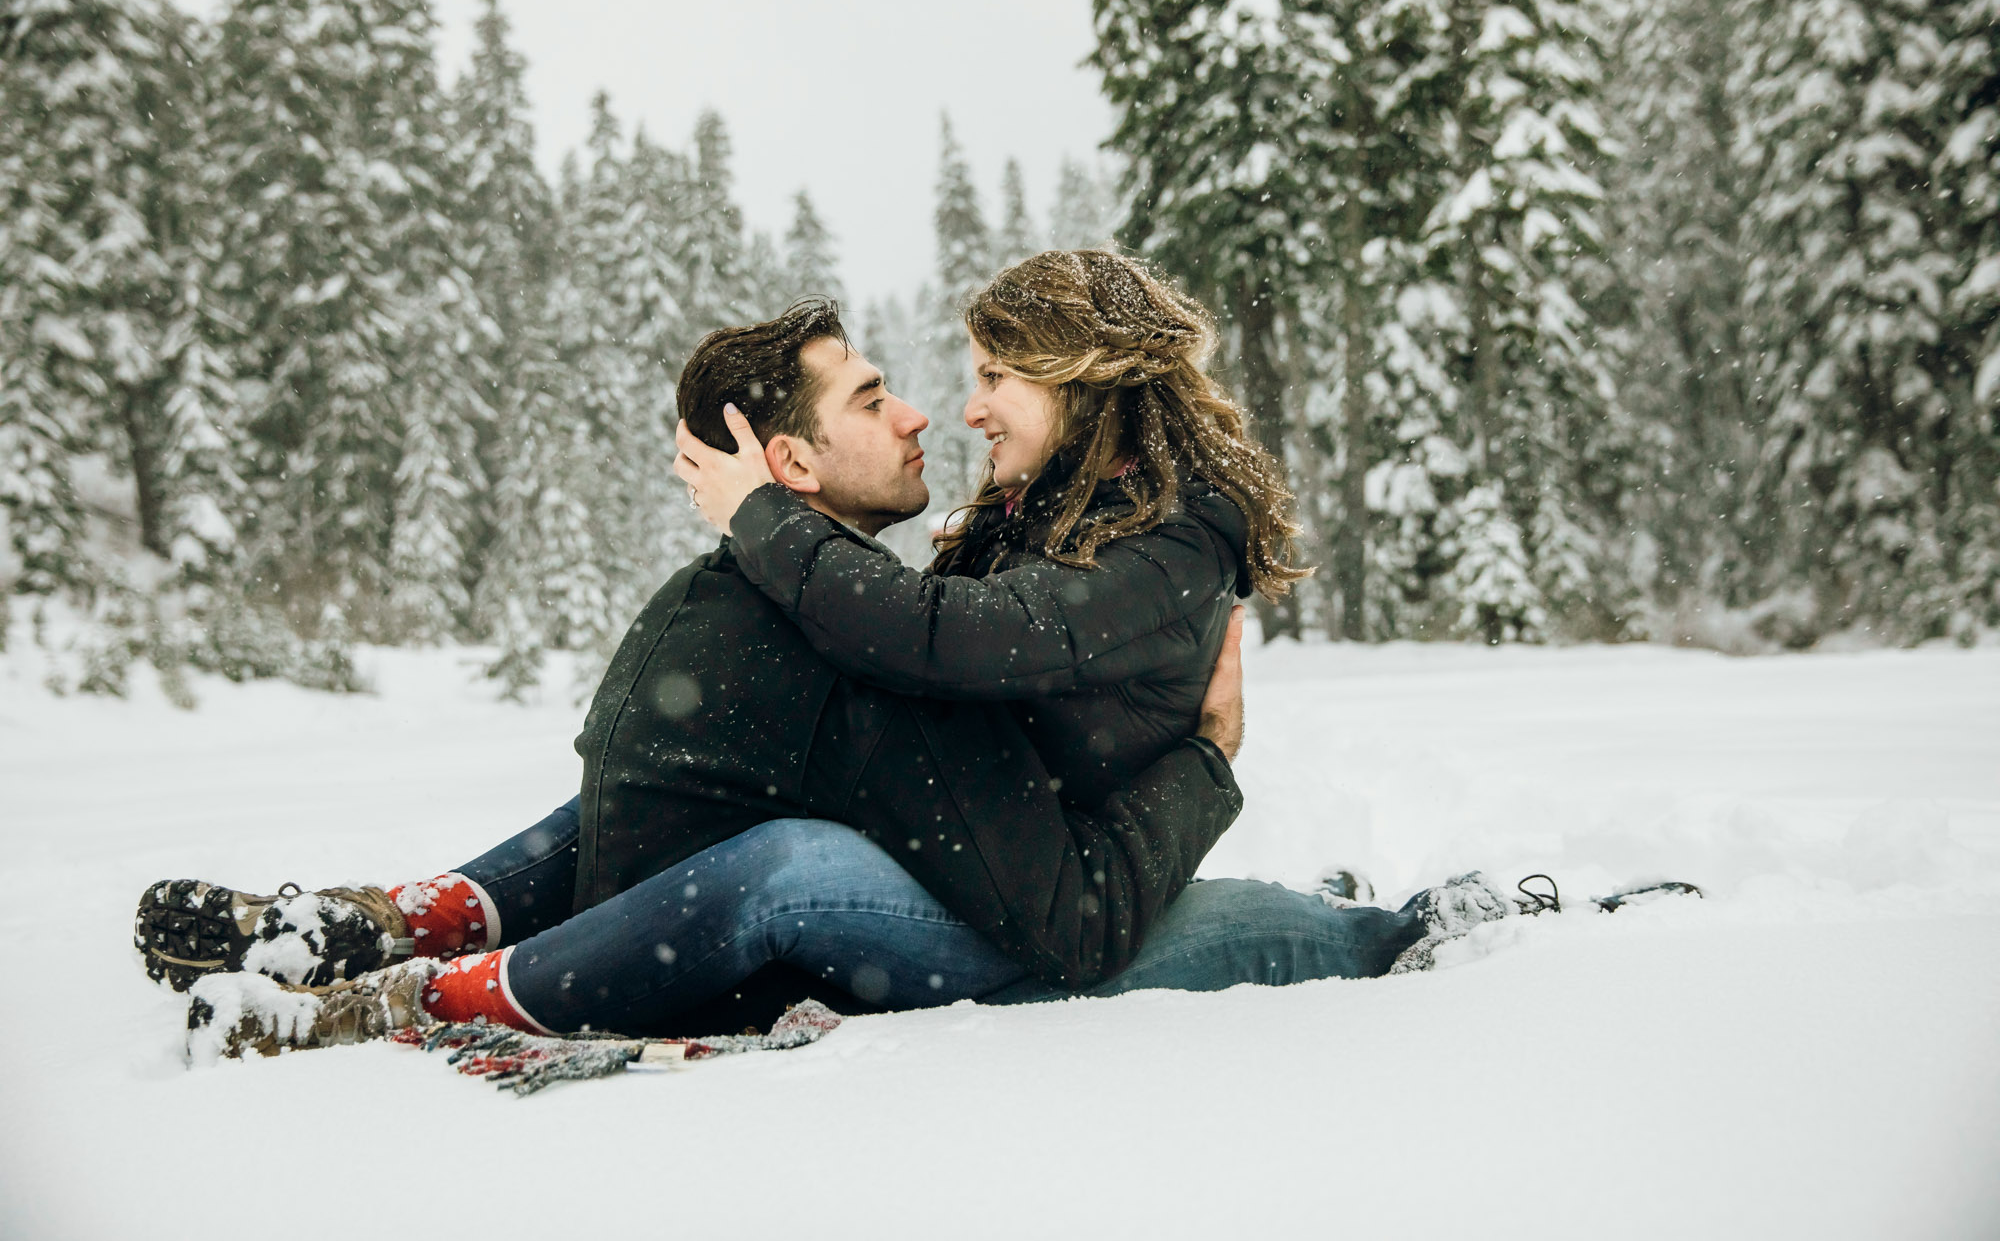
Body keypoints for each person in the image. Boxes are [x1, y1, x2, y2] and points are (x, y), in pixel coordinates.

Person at [145, 281, 1520, 1058]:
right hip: (1041, 882)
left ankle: (392, 946)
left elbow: (961, 658)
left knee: (1283, 924)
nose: (946, 406)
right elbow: (948, 697)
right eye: (886, 394)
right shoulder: (958, 551)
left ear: (1086, 387)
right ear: (795, 462)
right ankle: (394, 942)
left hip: (1055, 879)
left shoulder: (1125, 548)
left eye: (990, 380)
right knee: (786, 843)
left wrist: (1201, 767)